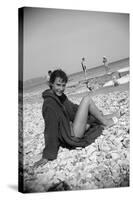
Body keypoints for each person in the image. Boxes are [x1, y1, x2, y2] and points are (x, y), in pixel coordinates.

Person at [34, 69, 119, 168]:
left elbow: (73, 108)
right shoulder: (49, 104)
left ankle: (112, 115)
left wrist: (87, 111)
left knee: (93, 116)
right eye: (58, 85)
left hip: (71, 127)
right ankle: (106, 122)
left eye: (63, 85)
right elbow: (50, 129)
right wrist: (47, 155)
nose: (61, 89)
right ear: (51, 83)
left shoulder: (60, 97)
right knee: (87, 99)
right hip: (72, 135)